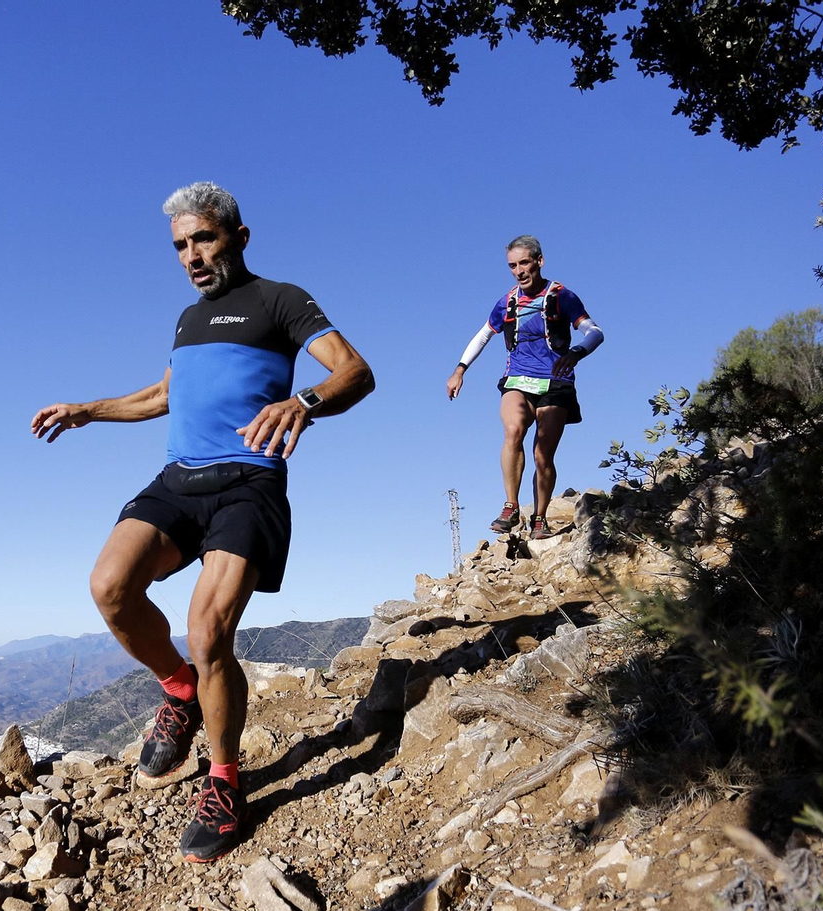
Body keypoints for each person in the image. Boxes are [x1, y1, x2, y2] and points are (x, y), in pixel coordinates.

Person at [31, 183, 374, 862]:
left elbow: (355, 372)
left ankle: (222, 780)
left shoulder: (280, 299)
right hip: (179, 482)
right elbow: (163, 394)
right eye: (181, 245)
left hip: (248, 483)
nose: (192, 255)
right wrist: (88, 409)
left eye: (204, 239)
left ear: (239, 237)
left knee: (208, 628)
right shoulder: (188, 320)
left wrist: (303, 400)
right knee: (110, 587)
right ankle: (179, 689)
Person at [445, 235, 605, 539]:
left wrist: (576, 353)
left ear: (539, 262)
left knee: (543, 455)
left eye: (524, 263)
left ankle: (540, 518)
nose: (519, 271)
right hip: (518, 379)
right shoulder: (507, 303)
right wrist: (460, 370)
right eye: (512, 266)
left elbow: (594, 332)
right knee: (513, 430)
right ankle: (511, 506)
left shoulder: (562, 298)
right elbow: (482, 336)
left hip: (555, 383)